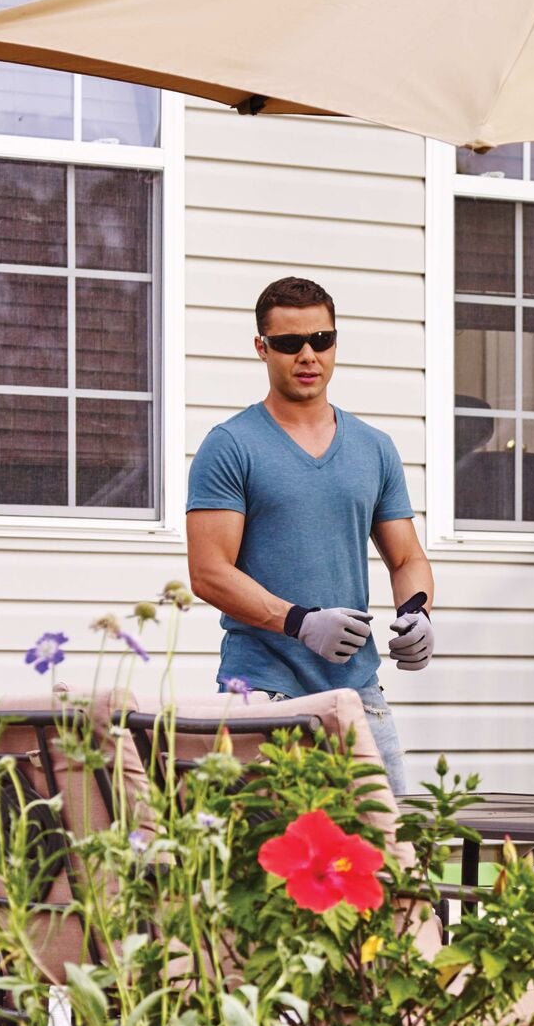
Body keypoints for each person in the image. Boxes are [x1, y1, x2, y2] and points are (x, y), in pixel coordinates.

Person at [185, 275, 435, 796]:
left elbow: (407, 556)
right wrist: (298, 621)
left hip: (357, 691)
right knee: (262, 863)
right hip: (260, 692)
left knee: (391, 857)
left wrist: (417, 611)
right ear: (262, 347)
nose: (307, 355)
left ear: (335, 342)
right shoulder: (231, 446)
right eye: (288, 343)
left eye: (321, 340)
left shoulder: (375, 448)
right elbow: (209, 573)